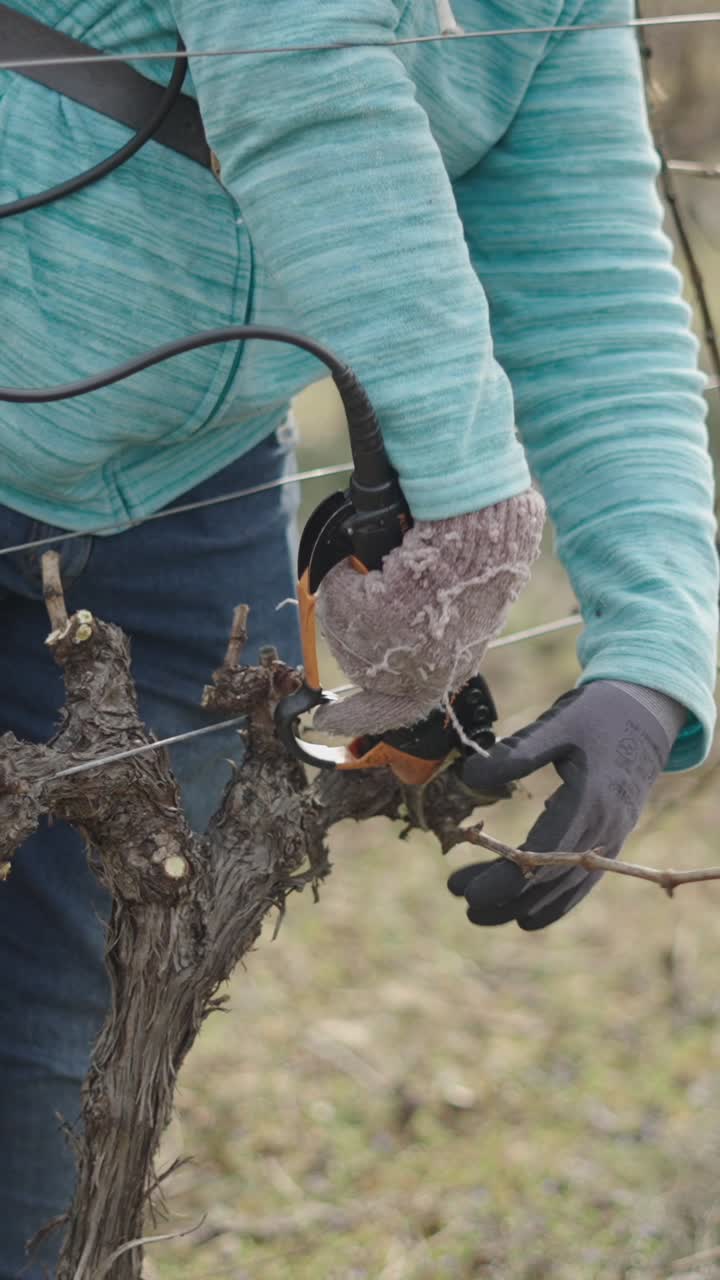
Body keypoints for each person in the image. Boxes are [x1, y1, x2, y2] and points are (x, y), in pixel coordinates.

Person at [0, 0, 716, 1273]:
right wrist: (471, 506)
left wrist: (656, 652)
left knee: (71, 1014)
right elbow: (307, 90)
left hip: (183, 498)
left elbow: (592, 293)